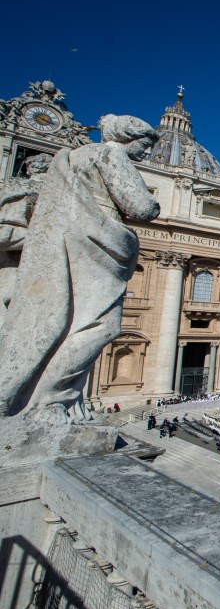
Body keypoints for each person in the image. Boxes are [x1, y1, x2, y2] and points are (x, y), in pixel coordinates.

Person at [0, 114, 160, 422]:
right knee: (100, 326)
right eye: (144, 145)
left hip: (71, 244)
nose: (146, 153)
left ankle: (29, 396)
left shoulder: (71, 158)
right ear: (129, 138)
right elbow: (141, 206)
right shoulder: (110, 154)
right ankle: (51, 400)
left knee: (56, 322)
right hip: (93, 246)